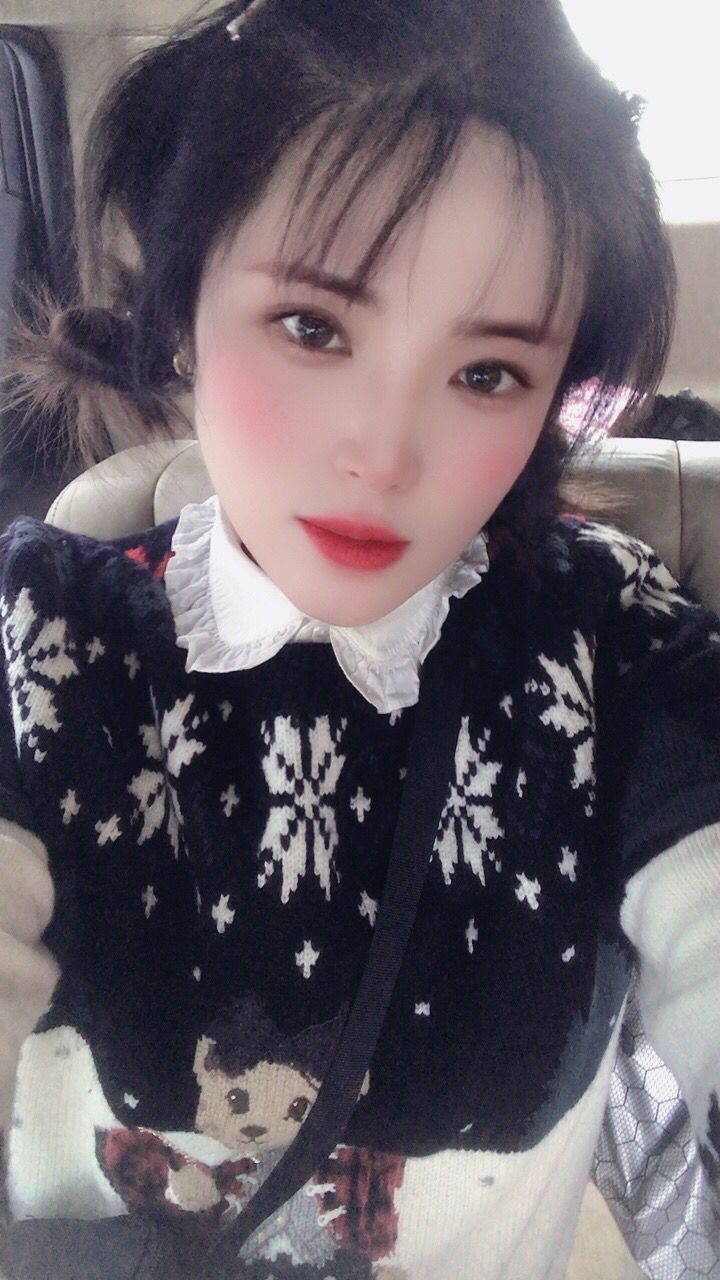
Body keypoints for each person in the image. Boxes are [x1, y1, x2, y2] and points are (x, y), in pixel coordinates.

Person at [0, 1, 718, 1277]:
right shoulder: (47, 639)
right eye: (314, 327)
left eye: (487, 372)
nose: (385, 454)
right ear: (183, 304)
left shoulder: (612, 647)